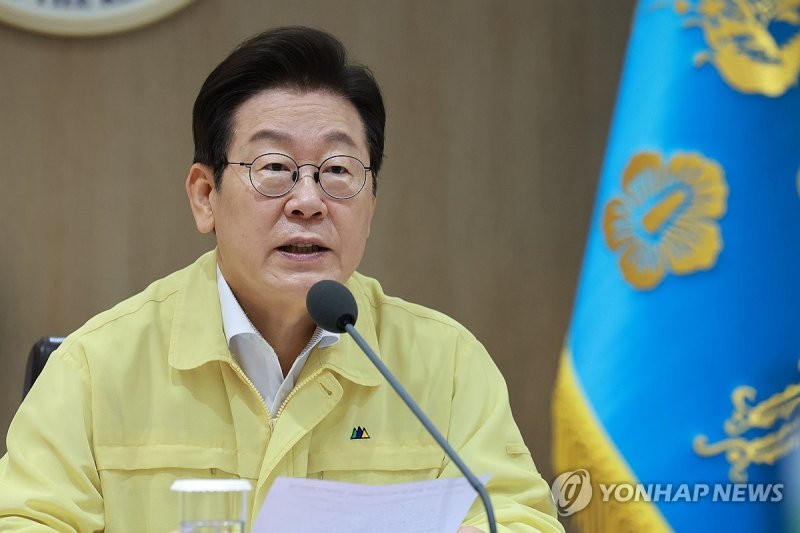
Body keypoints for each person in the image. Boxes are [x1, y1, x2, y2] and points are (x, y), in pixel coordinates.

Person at [0, 27, 563, 532]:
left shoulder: (446, 366)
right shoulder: (96, 368)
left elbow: (517, 518)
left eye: (338, 170)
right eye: (274, 168)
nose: (308, 201)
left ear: (371, 204)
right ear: (205, 196)